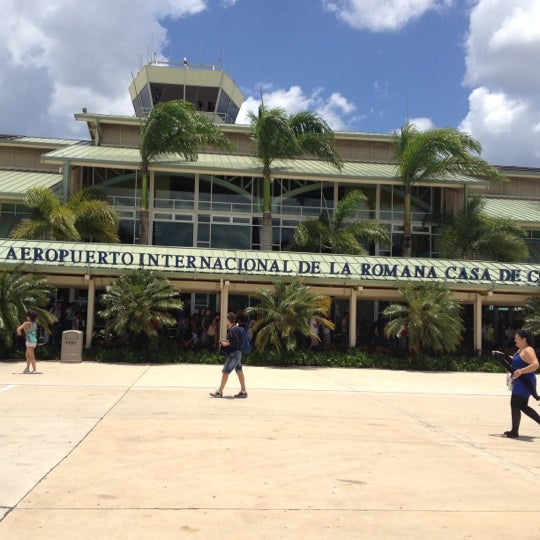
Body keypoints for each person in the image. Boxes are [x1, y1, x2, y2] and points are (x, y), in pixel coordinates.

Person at [501, 329, 540, 438]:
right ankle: (514, 431)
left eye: (517, 338)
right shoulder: (521, 349)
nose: (515, 340)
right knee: (522, 406)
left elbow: (536, 365)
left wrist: (521, 371)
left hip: (525, 381)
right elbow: (514, 362)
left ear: (524, 339)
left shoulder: (528, 350)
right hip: (520, 381)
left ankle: (514, 432)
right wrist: (501, 356)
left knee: (515, 404)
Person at [210, 312, 248, 399]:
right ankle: (243, 391)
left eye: (226, 319)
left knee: (225, 372)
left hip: (234, 354)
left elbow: (235, 344)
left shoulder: (233, 330)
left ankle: (219, 391)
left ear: (228, 320)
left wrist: (226, 344)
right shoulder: (236, 329)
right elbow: (235, 342)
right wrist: (227, 342)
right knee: (239, 371)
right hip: (238, 354)